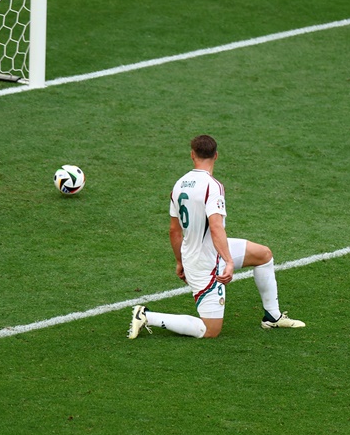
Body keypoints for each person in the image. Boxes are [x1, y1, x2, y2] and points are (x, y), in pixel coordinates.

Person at [128, 134, 305, 340]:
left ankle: (272, 317)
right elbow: (216, 227)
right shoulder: (213, 186)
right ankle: (147, 315)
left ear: (192, 155)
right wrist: (228, 261)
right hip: (205, 262)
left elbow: (174, 231)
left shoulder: (179, 185)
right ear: (216, 156)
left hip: (199, 252)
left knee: (263, 255)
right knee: (210, 330)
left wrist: (179, 260)